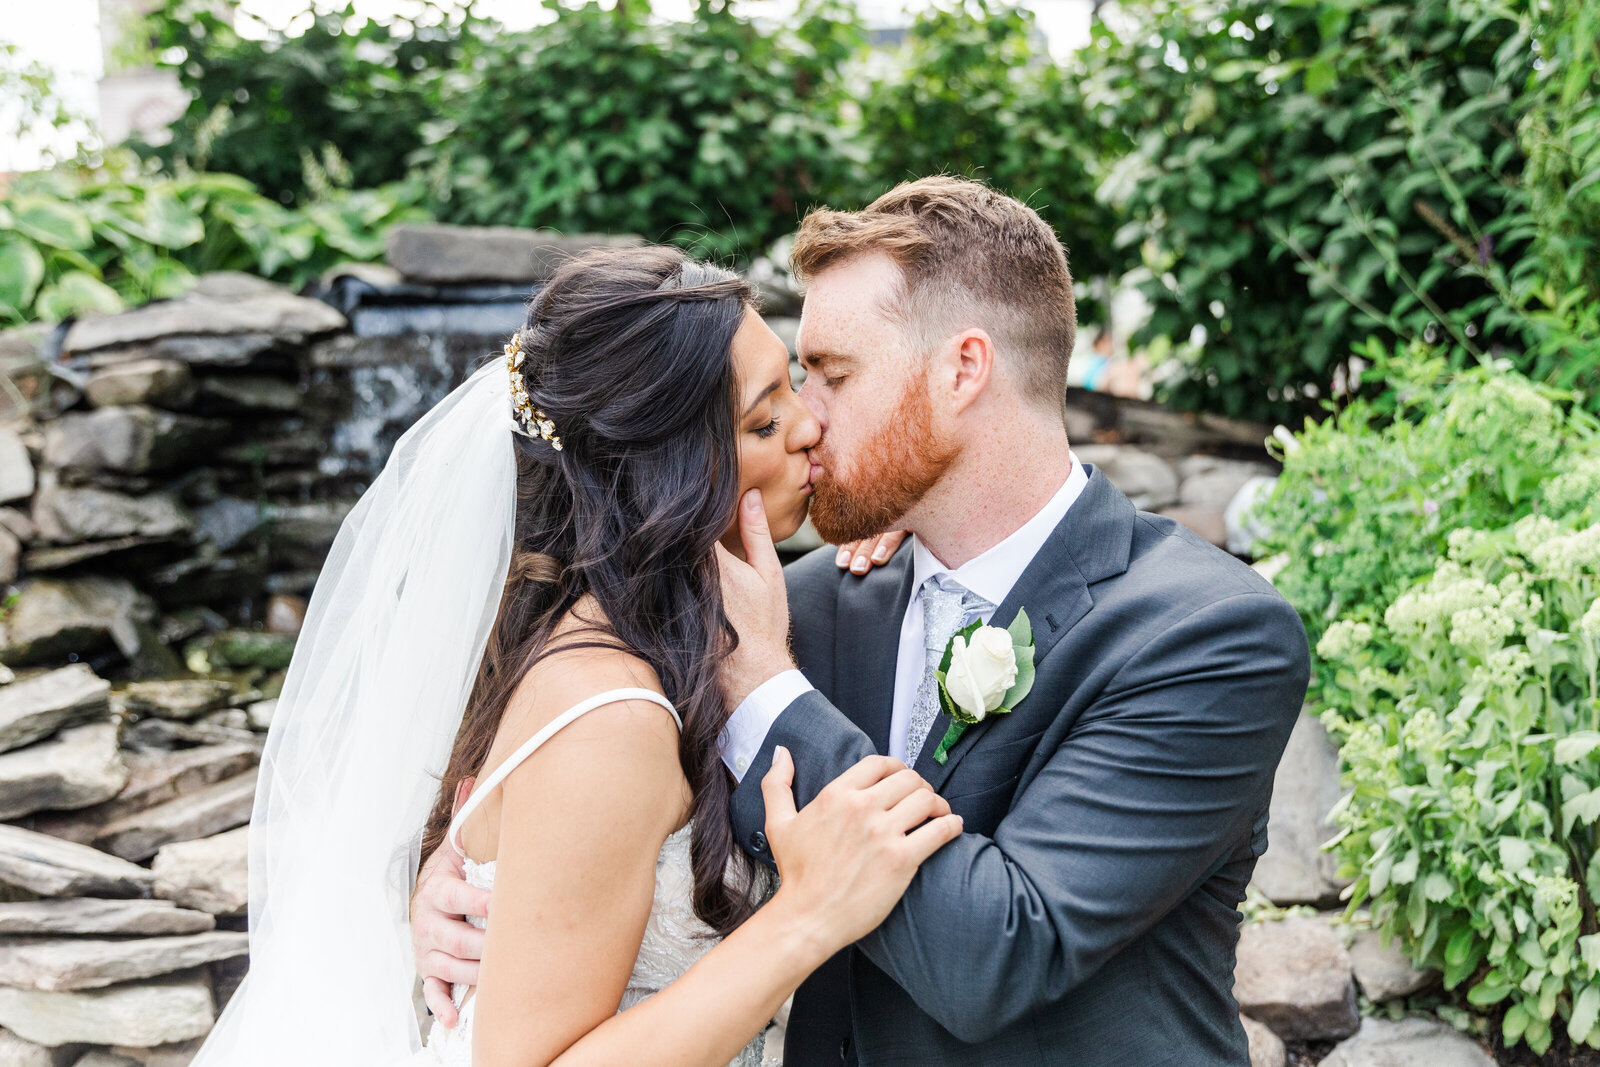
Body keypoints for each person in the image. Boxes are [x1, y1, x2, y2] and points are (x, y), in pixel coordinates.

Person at [416, 177, 1312, 1066]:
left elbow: (997, 955)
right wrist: (458, 887)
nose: (806, 415)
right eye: (789, 388)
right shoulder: (796, 603)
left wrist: (769, 689)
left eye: (832, 374)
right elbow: (573, 795)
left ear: (963, 370)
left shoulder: (1207, 633)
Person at [191, 246, 963, 1067]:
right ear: (670, 476)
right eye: (764, 421)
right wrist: (804, 916)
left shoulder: (650, 642)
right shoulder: (613, 715)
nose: (812, 425)